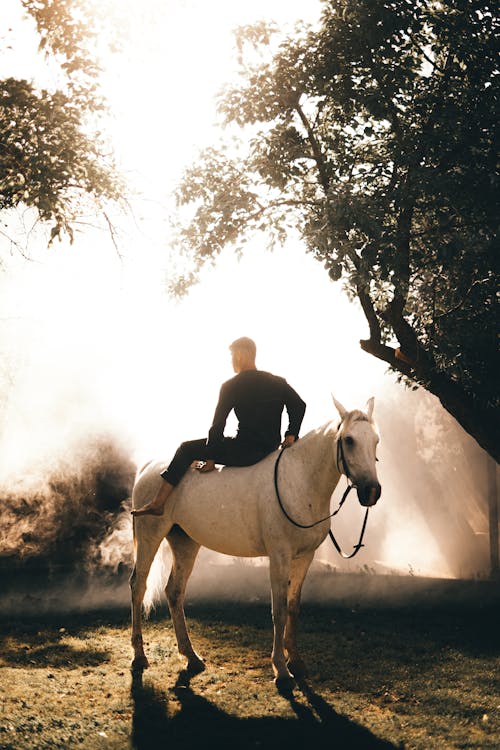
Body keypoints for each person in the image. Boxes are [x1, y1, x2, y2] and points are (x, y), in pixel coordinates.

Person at [132, 336, 306, 517]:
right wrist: (291, 434)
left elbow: (218, 424)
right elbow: (299, 405)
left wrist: (211, 457)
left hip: (244, 452)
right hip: (270, 449)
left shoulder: (231, 386)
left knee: (186, 448)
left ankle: (158, 503)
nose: (231, 361)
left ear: (240, 355)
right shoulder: (277, 382)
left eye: (232, 356)